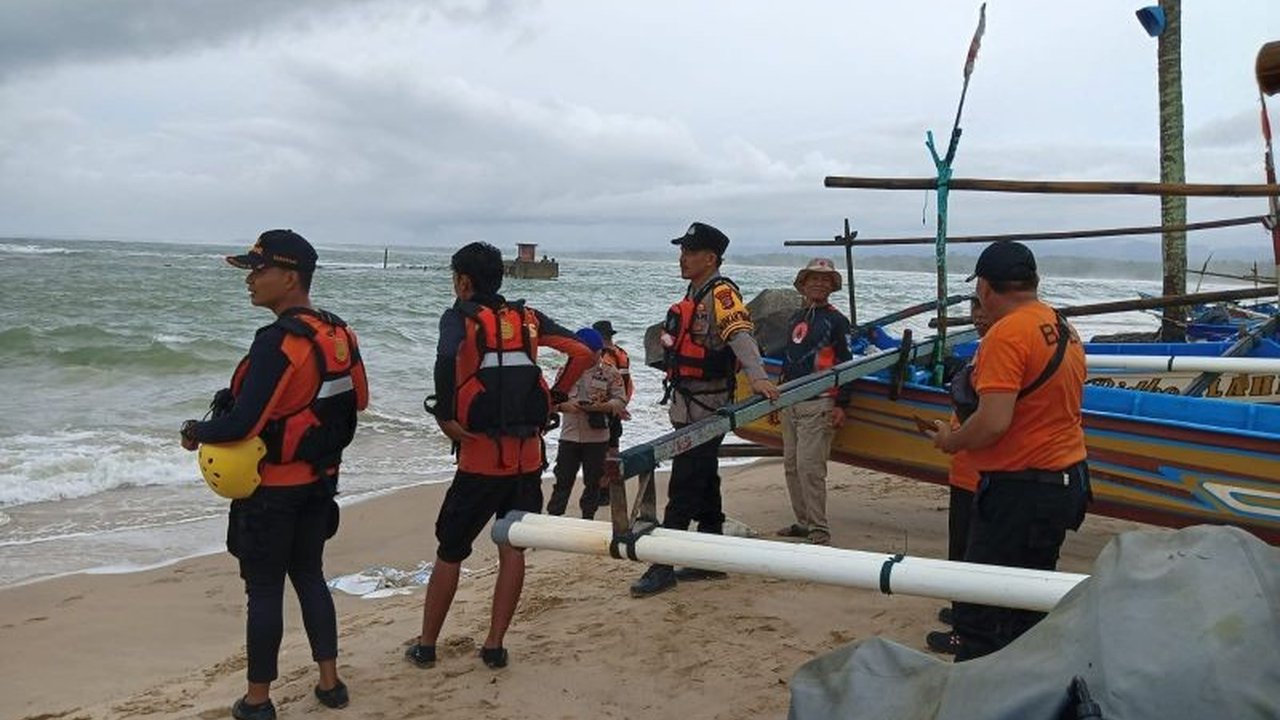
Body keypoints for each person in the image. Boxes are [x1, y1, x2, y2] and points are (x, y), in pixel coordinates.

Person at [179, 229, 369, 720]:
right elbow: (360, 401)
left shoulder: (278, 342)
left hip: (272, 492)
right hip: (319, 484)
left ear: (289, 277)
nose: (249, 280)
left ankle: (258, 700)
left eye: (257, 270)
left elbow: (242, 424)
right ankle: (330, 684)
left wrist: (196, 431)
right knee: (309, 576)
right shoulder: (338, 333)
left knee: (264, 590)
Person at [407, 241, 594, 671]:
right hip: (527, 460)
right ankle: (494, 645)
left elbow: (445, 358)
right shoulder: (528, 319)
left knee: (451, 550)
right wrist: (556, 395)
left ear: (463, 282)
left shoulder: (459, 317)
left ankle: (427, 645)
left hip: (478, 461)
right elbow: (583, 353)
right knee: (512, 548)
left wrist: (445, 415)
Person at [927, 241, 1091, 662]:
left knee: (980, 613)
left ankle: (979, 688)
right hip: (1064, 478)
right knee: (1028, 605)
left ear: (984, 288)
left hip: (1020, 487)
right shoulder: (1061, 326)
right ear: (1033, 281)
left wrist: (951, 441)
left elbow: (993, 421)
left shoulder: (1006, 333)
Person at [630, 222, 780, 598]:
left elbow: (740, 335)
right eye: (682, 251)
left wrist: (759, 378)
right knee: (705, 478)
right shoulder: (694, 291)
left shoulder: (721, 293)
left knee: (684, 483)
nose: (682, 258)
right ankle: (710, 558)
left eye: (690, 252)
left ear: (710, 258)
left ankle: (663, 564)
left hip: (708, 406)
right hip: (686, 402)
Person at [925, 296, 992, 654]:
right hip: (968, 468)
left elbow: (991, 417)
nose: (978, 317)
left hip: (980, 471)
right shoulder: (986, 351)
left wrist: (952, 439)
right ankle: (965, 612)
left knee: (972, 550)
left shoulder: (1000, 351)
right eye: (974, 311)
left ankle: (966, 629)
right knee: (963, 547)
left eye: (985, 310)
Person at [774, 258, 853, 547]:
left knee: (811, 468)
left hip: (819, 404)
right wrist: (778, 398)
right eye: (814, 279)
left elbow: (846, 363)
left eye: (825, 280)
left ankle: (819, 530)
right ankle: (803, 522)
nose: (819, 284)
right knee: (791, 466)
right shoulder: (796, 317)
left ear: (832, 286)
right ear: (803, 284)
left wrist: (842, 403)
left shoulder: (837, 321)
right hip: (791, 402)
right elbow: (788, 359)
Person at [546, 327, 629, 520]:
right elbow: (551, 402)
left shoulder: (609, 372)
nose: (593, 357)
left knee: (594, 482)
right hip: (569, 435)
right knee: (563, 480)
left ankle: (588, 517)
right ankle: (553, 518)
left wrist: (601, 407)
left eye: (596, 352)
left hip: (597, 438)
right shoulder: (565, 371)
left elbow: (620, 400)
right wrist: (565, 406)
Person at [592, 319, 633, 508]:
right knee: (614, 448)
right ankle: (612, 487)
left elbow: (601, 386)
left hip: (605, 409)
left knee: (600, 451)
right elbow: (629, 385)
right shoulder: (622, 354)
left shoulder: (603, 358)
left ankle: (602, 491)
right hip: (618, 408)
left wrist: (597, 406)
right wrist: (622, 405)